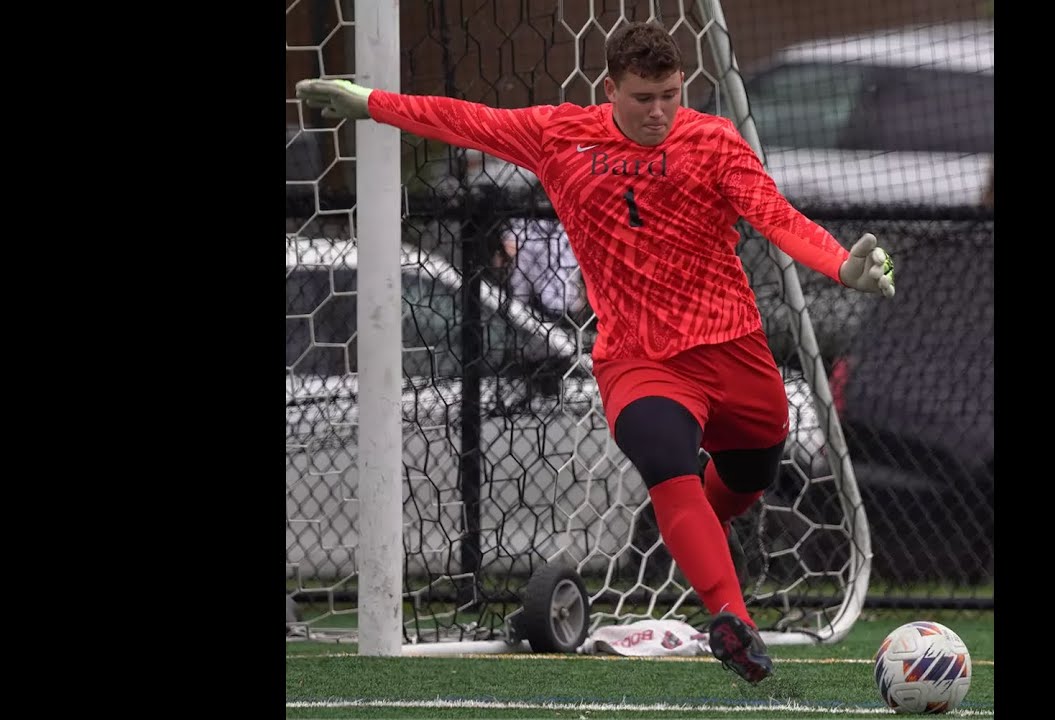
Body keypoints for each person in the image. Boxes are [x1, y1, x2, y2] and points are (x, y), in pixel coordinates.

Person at [297, 20, 894, 685]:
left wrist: (843, 265)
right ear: (610, 88)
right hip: (639, 360)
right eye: (643, 97)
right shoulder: (560, 134)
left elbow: (776, 217)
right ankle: (730, 617)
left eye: (670, 94)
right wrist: (372, 103)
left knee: (749, 471)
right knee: (666, 463)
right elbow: (466, 120)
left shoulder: (716, 143)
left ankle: (699, 526)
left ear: (684, 86)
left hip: (734, 352)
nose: (659, 111)